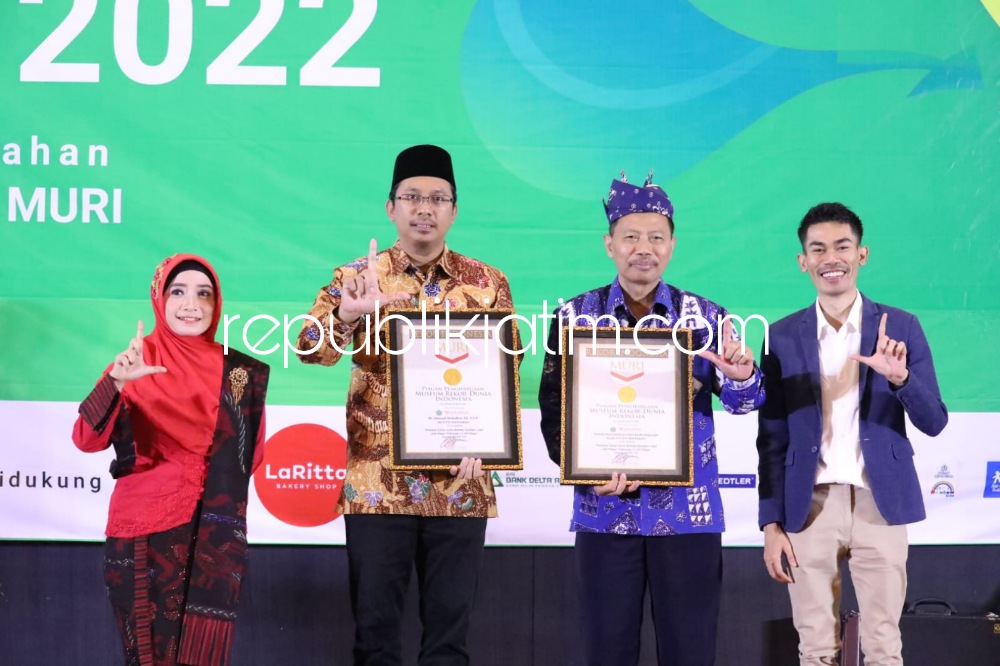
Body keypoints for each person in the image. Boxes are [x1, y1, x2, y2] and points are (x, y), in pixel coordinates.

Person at [296, 144, 516, 666]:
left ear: (454, 210)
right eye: (412, 196)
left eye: (438, 198)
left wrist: (489, 443)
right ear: (390, 207)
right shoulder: (356, 276)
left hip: (461, 485)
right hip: (377, 489)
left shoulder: (488, 285)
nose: (424, 207)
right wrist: (347, 316)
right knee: (375, 640)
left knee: (448, 645)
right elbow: (309, 349)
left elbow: (505, 371)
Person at [537, 171, 765, 666]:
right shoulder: (574, 316)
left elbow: (746, 402)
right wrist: (583, 470)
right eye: (632, 237)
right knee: (606, 652)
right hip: (604, 516)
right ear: (609, 244)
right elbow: (554, 409)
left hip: (688, 517)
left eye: (656, 237)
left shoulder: (705, 316)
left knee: (690, 651)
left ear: (672, 245)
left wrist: (742, 374)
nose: (645, 248)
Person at [756, 202, 948, 666]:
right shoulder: (780, 337)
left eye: (842, 246)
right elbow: (771, 437)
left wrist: (900, 380)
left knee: (884, 644)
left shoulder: (900, 327)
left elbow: (934, 421)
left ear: (862, 254)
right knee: (815, 648)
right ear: (803, 261)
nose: (831, 258)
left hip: (879, 503)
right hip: (809, 506)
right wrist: (770, 524)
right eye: (817, 249)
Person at [72, 254, 270, 666]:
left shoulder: (239, 375)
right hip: (143, 533)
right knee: (149, 657)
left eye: (204, 294)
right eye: (177, 292)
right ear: (159, 300)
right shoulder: (133, 363)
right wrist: (116, 384)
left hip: (213, 537)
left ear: (217, 305)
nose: (191, 305)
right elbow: (85, 440)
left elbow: (251, 458)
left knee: (198, 657)